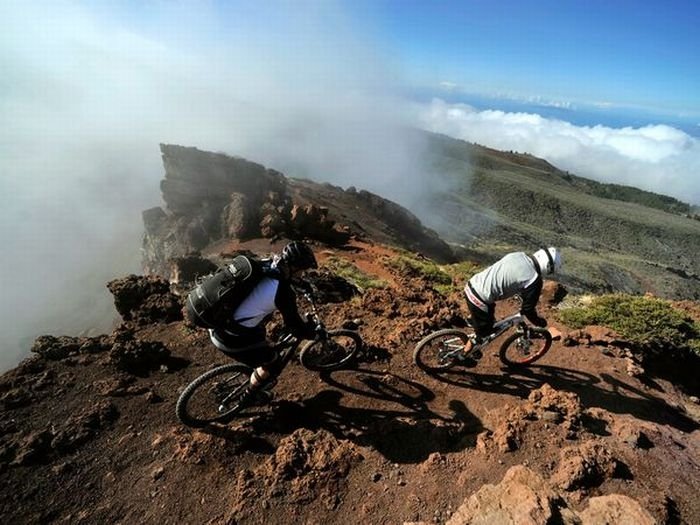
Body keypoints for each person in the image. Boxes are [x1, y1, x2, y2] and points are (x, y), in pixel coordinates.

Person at [208, 241, 319, 401]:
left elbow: (280, 281)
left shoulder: (266, 264)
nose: (302, 274)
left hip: (217, 321)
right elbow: (295, 326)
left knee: (261, 335)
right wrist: (312, 334)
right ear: (294, 267)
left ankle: (251, 369)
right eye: (302, 271)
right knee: (273, 362)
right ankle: (249, 397)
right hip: (229, 337)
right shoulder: (284, 293)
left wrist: (302, 284)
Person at [462, 247, 562, 365]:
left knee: (488, 316)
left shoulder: (519, 254)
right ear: (548, 267)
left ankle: (474, 321)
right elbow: (528, 310)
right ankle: (463, 355)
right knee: (485, 332)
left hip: (472, 284)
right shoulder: (534, 280)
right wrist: (540, 322)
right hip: (479, 298)